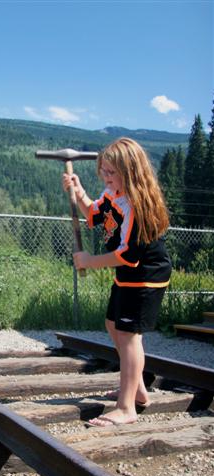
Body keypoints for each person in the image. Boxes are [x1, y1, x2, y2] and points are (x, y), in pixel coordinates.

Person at [62, 137, 172, 427]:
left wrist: (89, 260)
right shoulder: (114, 192)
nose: (106, 178)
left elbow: (126, 255)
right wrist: (79, 192)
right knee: (114, 324)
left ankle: (126, 408)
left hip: (146, 275)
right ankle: (137, 391)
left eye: (112, 173)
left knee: (128, 335)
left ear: (131, 171)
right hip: (128, 274)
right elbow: (95, 215)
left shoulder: (136, 205)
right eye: (104, 172)